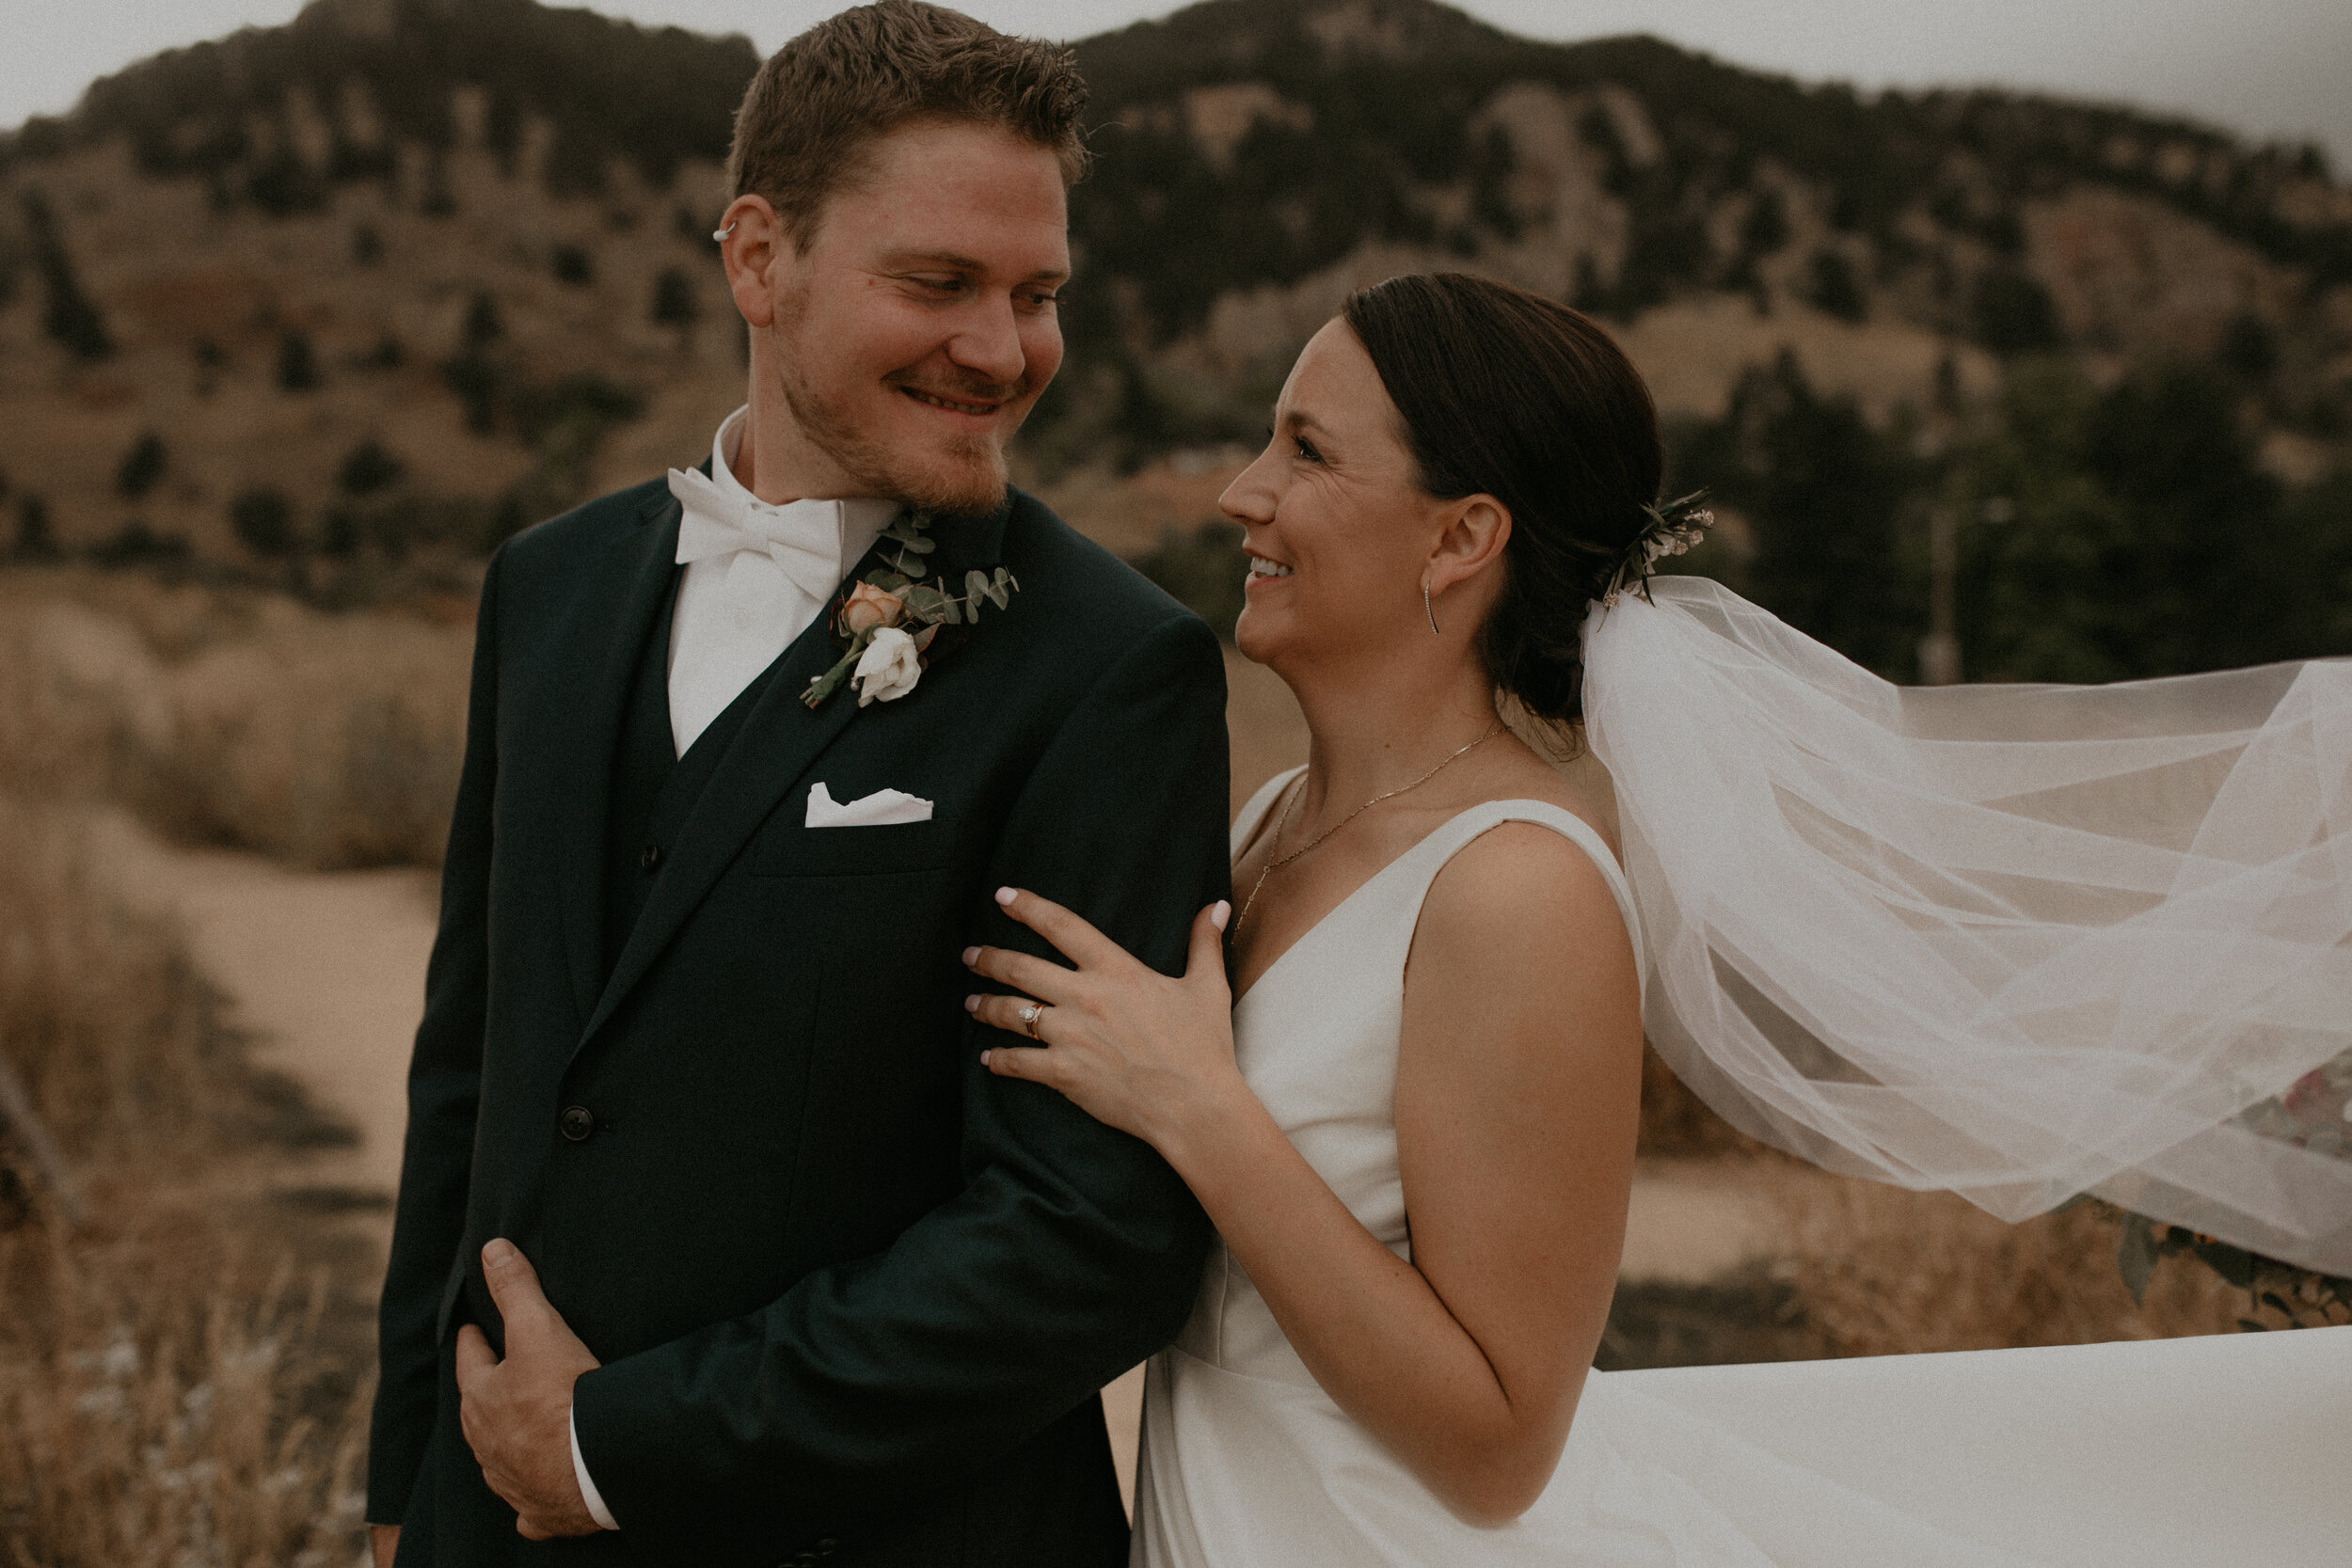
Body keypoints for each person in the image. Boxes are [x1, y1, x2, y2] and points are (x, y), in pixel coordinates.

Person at [963, 272, 2352, 1565]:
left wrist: (1206, 1115)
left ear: (1462, 537)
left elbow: (1501, 1442)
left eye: (1308, 453)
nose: (1238, 493)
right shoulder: (1267, 821)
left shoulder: (1517, 889)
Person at [363, 7, 1231, 1565]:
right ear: (758, 259)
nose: (1002, 348)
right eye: (938, 283)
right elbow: (472, 1073)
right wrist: (405, 1486)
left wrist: (615, 1447)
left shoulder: (1113, 670)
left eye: (1038, 294)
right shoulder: (543, 591)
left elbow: (1083, 1238)